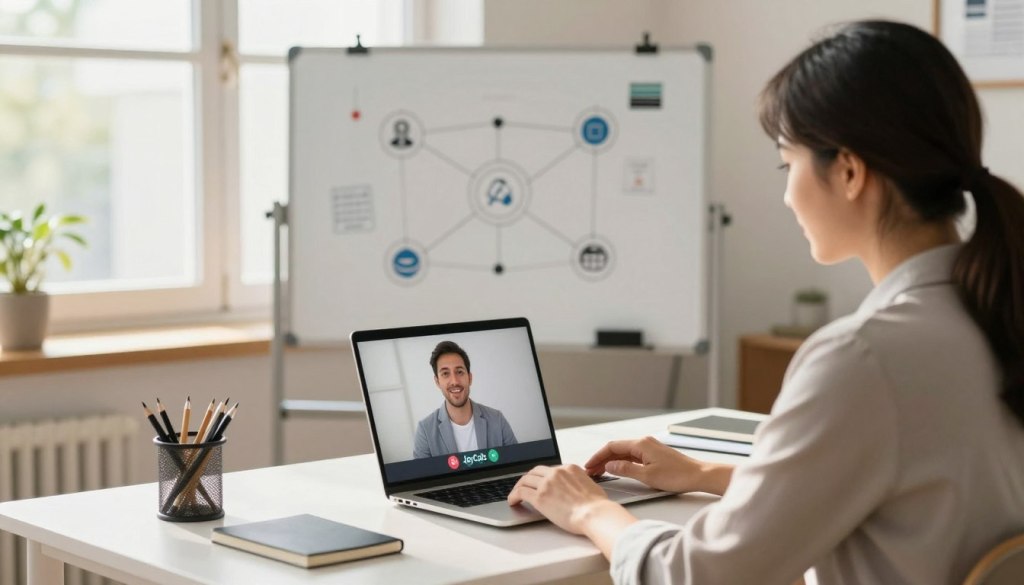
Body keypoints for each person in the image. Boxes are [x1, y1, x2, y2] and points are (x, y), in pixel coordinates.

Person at [507, 20, 1024, 585]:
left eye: (788, 163)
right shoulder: (994, 313)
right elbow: (905, 490)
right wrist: (708, 472)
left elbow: (697, 575)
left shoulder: (865, 358)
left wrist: (589, 510)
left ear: (849, 171)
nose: (785, 193)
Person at [413, 340, 518, 458]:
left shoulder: (497, 420)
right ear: (437, 382)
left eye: (459, 372)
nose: (454, 381)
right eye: (445, 374)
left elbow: (518, 465)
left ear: (470, 378)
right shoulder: (425, 431)